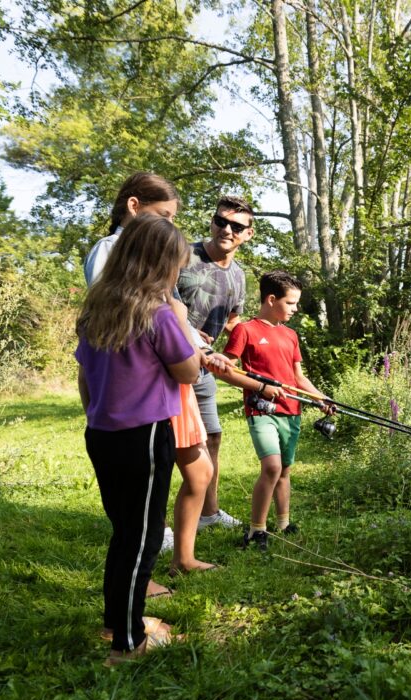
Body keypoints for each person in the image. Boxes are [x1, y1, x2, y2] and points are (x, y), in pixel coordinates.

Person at [75, 214, 199, 664]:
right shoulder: (159, 313)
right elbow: (188, 371)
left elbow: (85, 376)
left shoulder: (96, 309)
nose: (177, 274)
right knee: (143, 539)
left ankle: (118, 622)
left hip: (102, 433)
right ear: (158, 264)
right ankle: (127, 645)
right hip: (145, 436)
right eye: (175, 266)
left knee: (124, 533)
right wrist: (185, 325)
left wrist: (97, 413)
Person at [84, 173, 220, 580]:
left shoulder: (140, 301)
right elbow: (139, 331)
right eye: (164, 215)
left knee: (144, 515)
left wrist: (203, 348)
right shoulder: (115, 259)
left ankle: (171, 565)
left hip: (128, 412)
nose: (170, 225)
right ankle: (130, 622)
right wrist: (185, 338)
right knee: (137, 522)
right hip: (141, 408)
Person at [221, 271, 334, 550]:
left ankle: (283, 523)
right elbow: (224, 370)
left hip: (291, 410)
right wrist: (260, 387)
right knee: (271, 466)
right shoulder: (244, 330)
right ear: (271, 299)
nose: (295, 309)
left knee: (284, 469)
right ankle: (255, 531)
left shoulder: (291, 335)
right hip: (262, 411)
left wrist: (321, 398)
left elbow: (298, 377)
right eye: (291, 303)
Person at [177, 196, 255, 532]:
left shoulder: (238, 276)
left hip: (204, 367)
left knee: (212, 438)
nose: (226, 229)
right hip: (168, 363)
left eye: (236, 226)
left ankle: (209, 514)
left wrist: (259, 346)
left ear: (247, 235)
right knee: (169, 447)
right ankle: (155, 526)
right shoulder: (183, 257)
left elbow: (233, 322)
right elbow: (158, 302)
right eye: (220, 221)